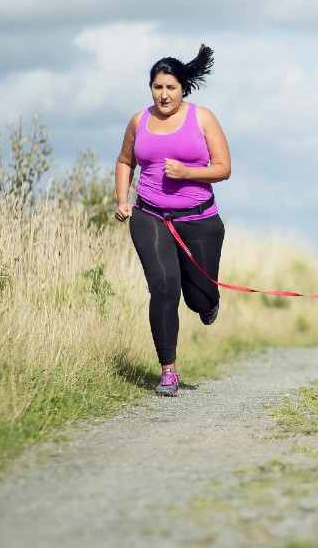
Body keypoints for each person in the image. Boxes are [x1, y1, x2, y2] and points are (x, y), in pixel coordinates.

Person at [114, 44, 231, 397]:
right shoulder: (140, 121)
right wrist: (123, 200)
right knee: (164, 286)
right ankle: (168, 371)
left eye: (171, 88)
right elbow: (124, 162)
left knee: (197, 298)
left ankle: (209, 302)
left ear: (184, 89)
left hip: (198, 219)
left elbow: (224, 169)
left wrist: (187, 172)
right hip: (149, 215)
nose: (163, 95)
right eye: (157, 87)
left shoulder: (203, 118)